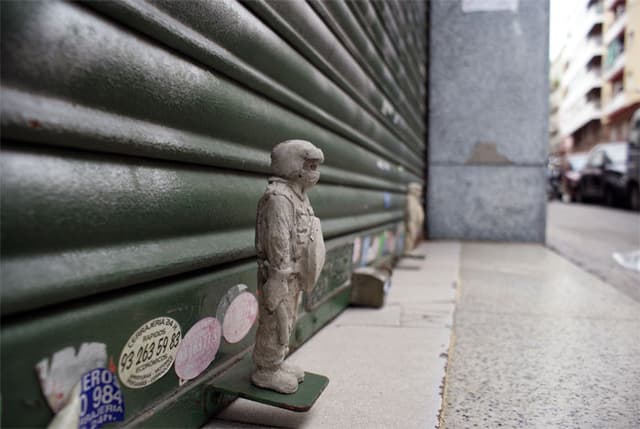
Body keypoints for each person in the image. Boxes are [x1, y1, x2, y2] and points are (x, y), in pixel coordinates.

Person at [252, 140, 325, 394]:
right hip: (279, 276)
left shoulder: (299, 197)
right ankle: (266, 370)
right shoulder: (279, 198)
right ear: (293, 166)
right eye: (310, 165)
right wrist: (278, 277)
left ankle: (277, 362)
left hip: (294, 274)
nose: (315, 172)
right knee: (275, 321)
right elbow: (278, 240)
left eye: (316, 166)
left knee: (288, 320)